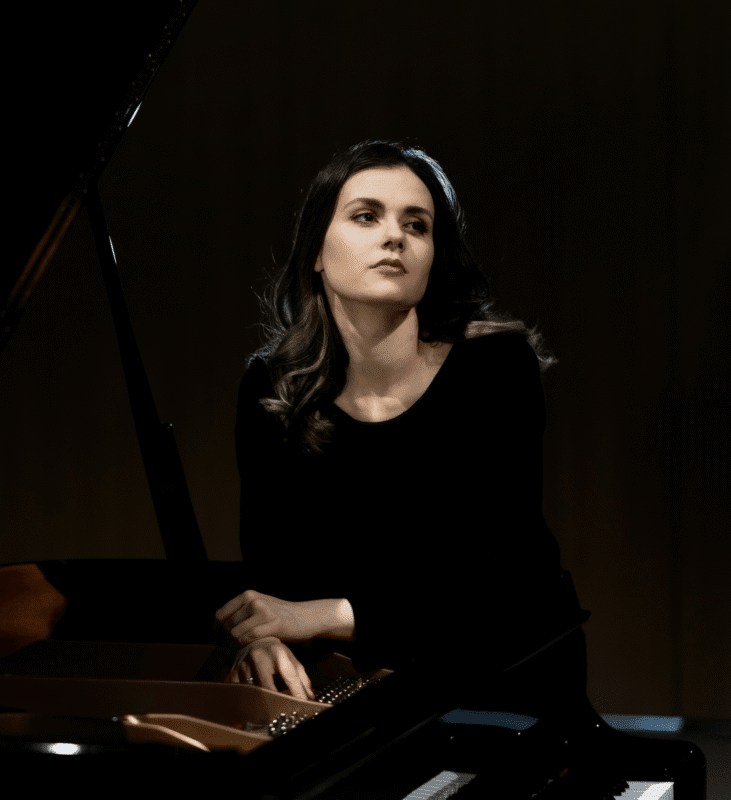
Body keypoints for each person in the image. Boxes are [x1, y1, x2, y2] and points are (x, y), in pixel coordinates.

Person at [214, 141, 585, 714]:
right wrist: (262, 638)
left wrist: (326, 615)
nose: (395, 237)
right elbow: (274, 576)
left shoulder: (494, 369)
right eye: (367, 216)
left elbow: (499, 581)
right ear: (315, 250)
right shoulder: (273, 388)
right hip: (350, 694)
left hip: (503, 685)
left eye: (417, 225)